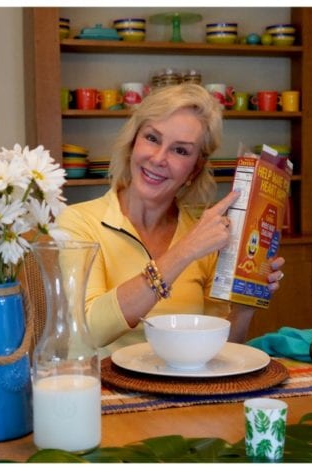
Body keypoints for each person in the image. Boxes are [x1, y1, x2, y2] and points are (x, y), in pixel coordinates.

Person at [55, 83, 285, 353]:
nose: (158, 158)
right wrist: (185, 251)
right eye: (152, 138)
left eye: (180, 151)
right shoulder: (77, 222)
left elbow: (220, 350)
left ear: (194, 169)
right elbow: (89, 329)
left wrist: (245, 307)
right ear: (133, 143)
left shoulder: (206, 236)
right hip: (102, 390)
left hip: (180, 391)